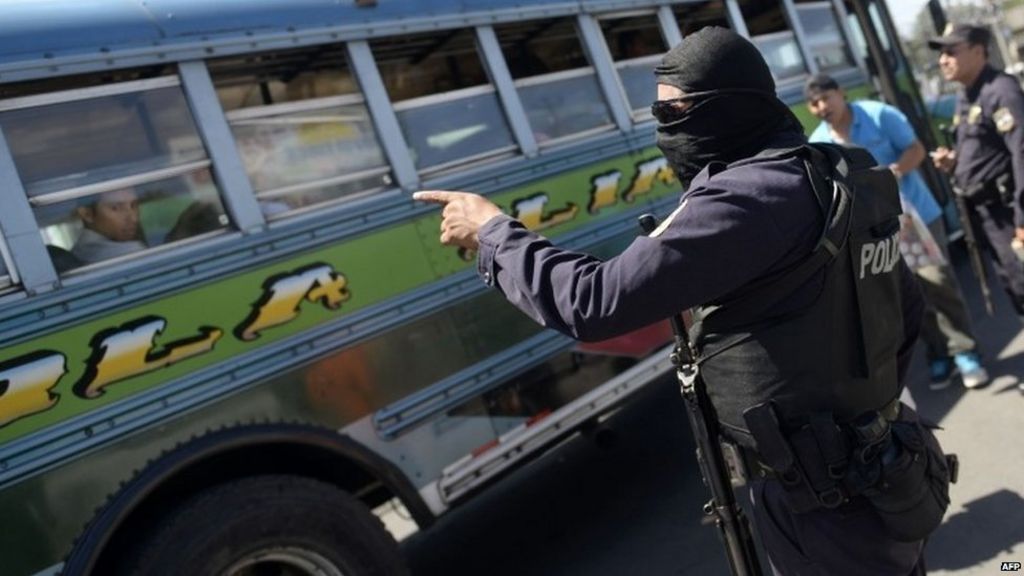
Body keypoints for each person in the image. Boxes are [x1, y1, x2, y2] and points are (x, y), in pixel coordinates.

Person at [416, 27, 948, 575]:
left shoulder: (748, 198)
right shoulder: (842, 171)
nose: (664, 130)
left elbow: (593, 302)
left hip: (824, 500)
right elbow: (903, 310)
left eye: (675, 114)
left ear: (728, 109)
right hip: (886, 467)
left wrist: (494, 231)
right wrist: (865, 410)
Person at [805, 73, 989, 390]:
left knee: (938, 282)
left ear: (841, 93)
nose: (822, 107)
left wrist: (893, 174)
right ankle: (938, 353)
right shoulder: (819, 141)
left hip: (916, 217)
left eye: (825, 98)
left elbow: (915, 150)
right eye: (814, 103)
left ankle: (966, 352)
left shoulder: (879, 114)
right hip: (873, 231)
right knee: (906, 292)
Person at [929, 23, 1024, 317]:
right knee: (1015, 287)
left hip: (1008, 211)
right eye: (940, 53)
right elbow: (983, 148)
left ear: (978, 50)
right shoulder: (967, 94)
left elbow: (1021, 153)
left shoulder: (1001, 90)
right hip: (986, 216)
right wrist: (954, 161)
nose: (942, 60)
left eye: (950, 51)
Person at [72, 187, 147, 264]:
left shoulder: (78, 251)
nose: (134, 218)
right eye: (116, 208)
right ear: (87, 214)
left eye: (134, 206)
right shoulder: (132, 252)